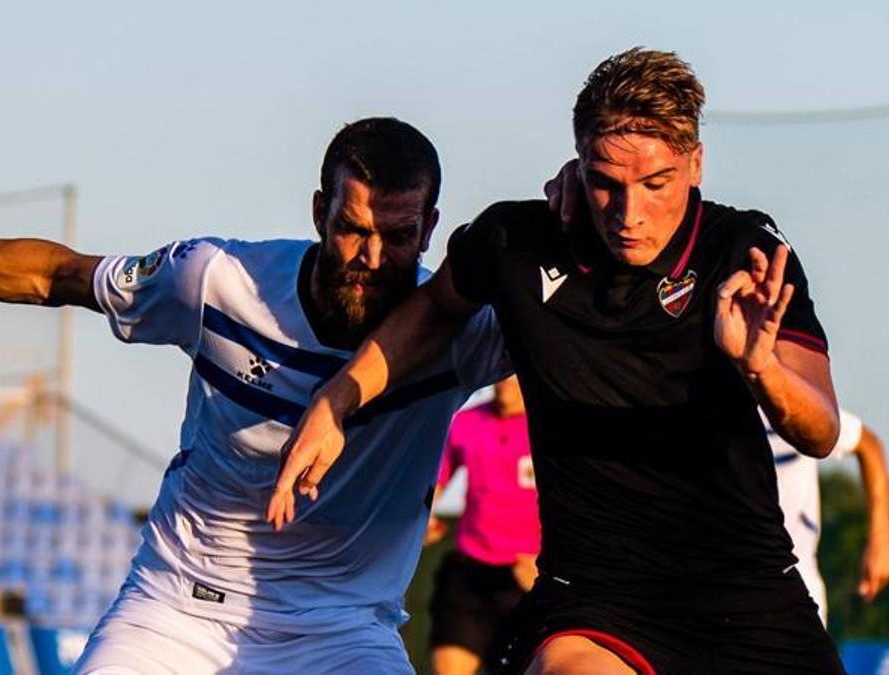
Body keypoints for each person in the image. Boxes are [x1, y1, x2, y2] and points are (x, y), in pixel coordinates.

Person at [0, 117, 509, 673]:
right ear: (319, 212)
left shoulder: (464, 330)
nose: (371, 258)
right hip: (178, 610)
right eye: (351, 229)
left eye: (400, 236)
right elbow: (55, 275)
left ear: (432, 229)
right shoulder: (218, 282)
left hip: (345, 632)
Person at [269, 48, 847, 674]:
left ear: (696, 164)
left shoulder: (745, 252)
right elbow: (436, 310)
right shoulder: (518, 241)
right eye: (605, 182)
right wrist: (339, 397)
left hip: (747, 593)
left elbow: (821, 431)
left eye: (657, 184)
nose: (629, 214)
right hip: (597, 603)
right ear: (577, 164)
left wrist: (762, 371)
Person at [427, 374, 540, 675]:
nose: (505, 383)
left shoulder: (550, 428)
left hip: (528, 578)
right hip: (470, 570)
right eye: (502, 376)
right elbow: (433, 485)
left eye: (515, 377)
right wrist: (422, 521)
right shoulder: (465, 421)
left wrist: (547, 565)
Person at [768, 409, 889, 623]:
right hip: (717, 586)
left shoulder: (785, 397)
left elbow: (868, 445)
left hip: (795, 584)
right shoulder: (702, 404)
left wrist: (882, 541)